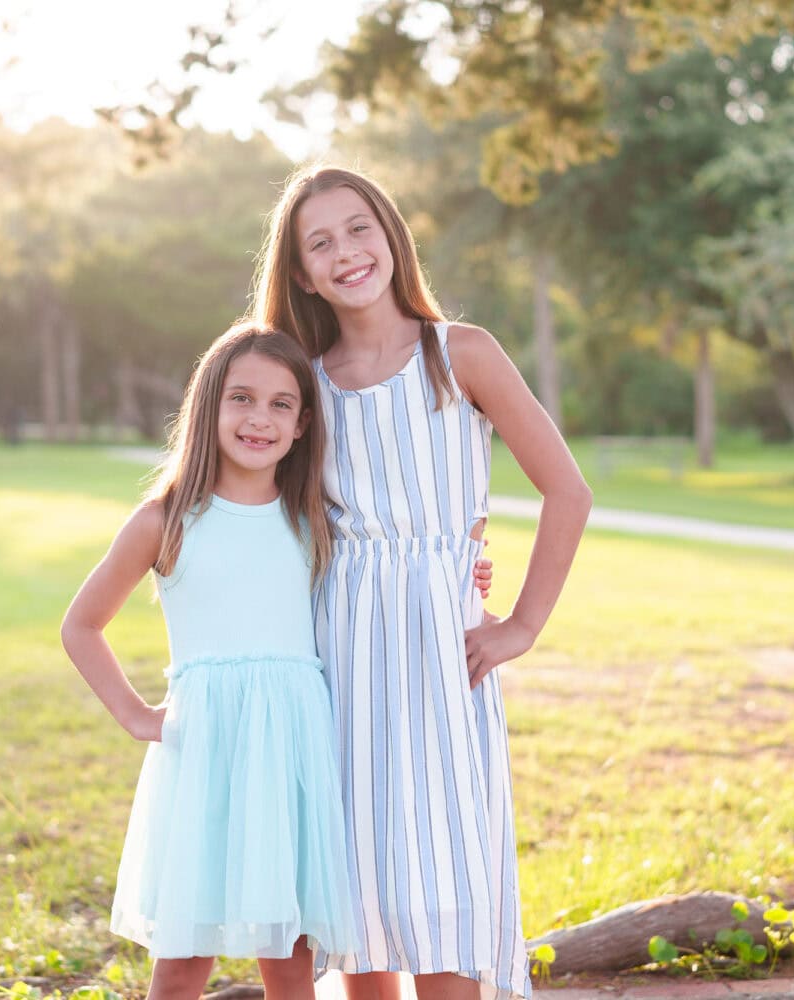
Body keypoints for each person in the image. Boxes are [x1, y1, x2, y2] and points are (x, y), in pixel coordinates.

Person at [250, 166, 593, 1000]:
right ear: (300, 272)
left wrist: (520, 624)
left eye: (359, 228)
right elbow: (272, 511)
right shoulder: (307, 383)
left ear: (391, 235)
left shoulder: (459, 354)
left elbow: (567, 491)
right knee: (358, 882)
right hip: (337, 650)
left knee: (442, 873)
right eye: (319, 243)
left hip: (442, 652)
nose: (346, 252)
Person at [60, 322, 358, 1000]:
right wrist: (135, 714)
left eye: (281, 404)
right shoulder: (165, 521)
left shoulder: (314, 518)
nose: (260, 418)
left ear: (304, 423)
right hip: (206, 754)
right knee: (185, 952)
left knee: (289, 950)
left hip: (290, 752)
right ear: (209, 407)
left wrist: (473, 571)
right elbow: (81, 625)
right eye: (242, 398)